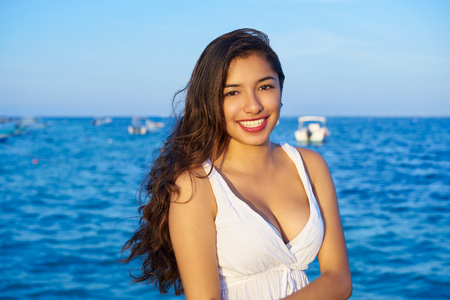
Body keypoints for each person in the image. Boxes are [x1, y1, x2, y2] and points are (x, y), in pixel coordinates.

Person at [122, 28, 352, 300]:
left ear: (280, 89)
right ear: (210, 102)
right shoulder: (194, 185)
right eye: (232, 93)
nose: (253, 106)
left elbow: (339, 279)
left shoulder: (311, 166)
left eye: (265, 87)